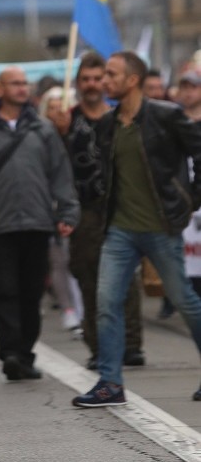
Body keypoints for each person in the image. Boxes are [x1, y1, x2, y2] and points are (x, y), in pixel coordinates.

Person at [73, 51, 201, 407]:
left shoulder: (166, 115)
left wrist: (191, 199)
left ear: (131, 80)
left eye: (110, 75)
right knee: (107, 303)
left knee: (185, 302)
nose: (103, 81)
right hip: (121, 230)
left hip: (161, 227)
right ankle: (110, 383)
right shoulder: (108, 124)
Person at [0, 66, 79, 382]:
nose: (21, 88)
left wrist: (67, 213)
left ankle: (26, 352)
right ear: (1, 89)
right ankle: (11, 354)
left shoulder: (43, 129)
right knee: (4, 290)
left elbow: (60, 174)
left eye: (24, 83)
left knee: (31, 292)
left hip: (37, 222)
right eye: (14, 83)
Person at [53, 53, 144, 369]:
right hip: (84, 210)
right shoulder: (67, 119)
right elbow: (57, 167)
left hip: (121, 207)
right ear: (78, 84)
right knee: (89, 279)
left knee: (128, 278)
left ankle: (132, 345)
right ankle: (99, 347)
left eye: (98, 78)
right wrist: (61, 133)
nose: (92, 85)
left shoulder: (123, 117)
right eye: (86, 79)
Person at [39, 88, 84, 334]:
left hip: (77, 204)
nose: (57, 112)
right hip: (49, 207)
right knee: (59, 260)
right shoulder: (39, 136)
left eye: (61, 107)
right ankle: (69, 309)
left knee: (76, 261)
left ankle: (81, 308)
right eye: (52, 107)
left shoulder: (78, 134)